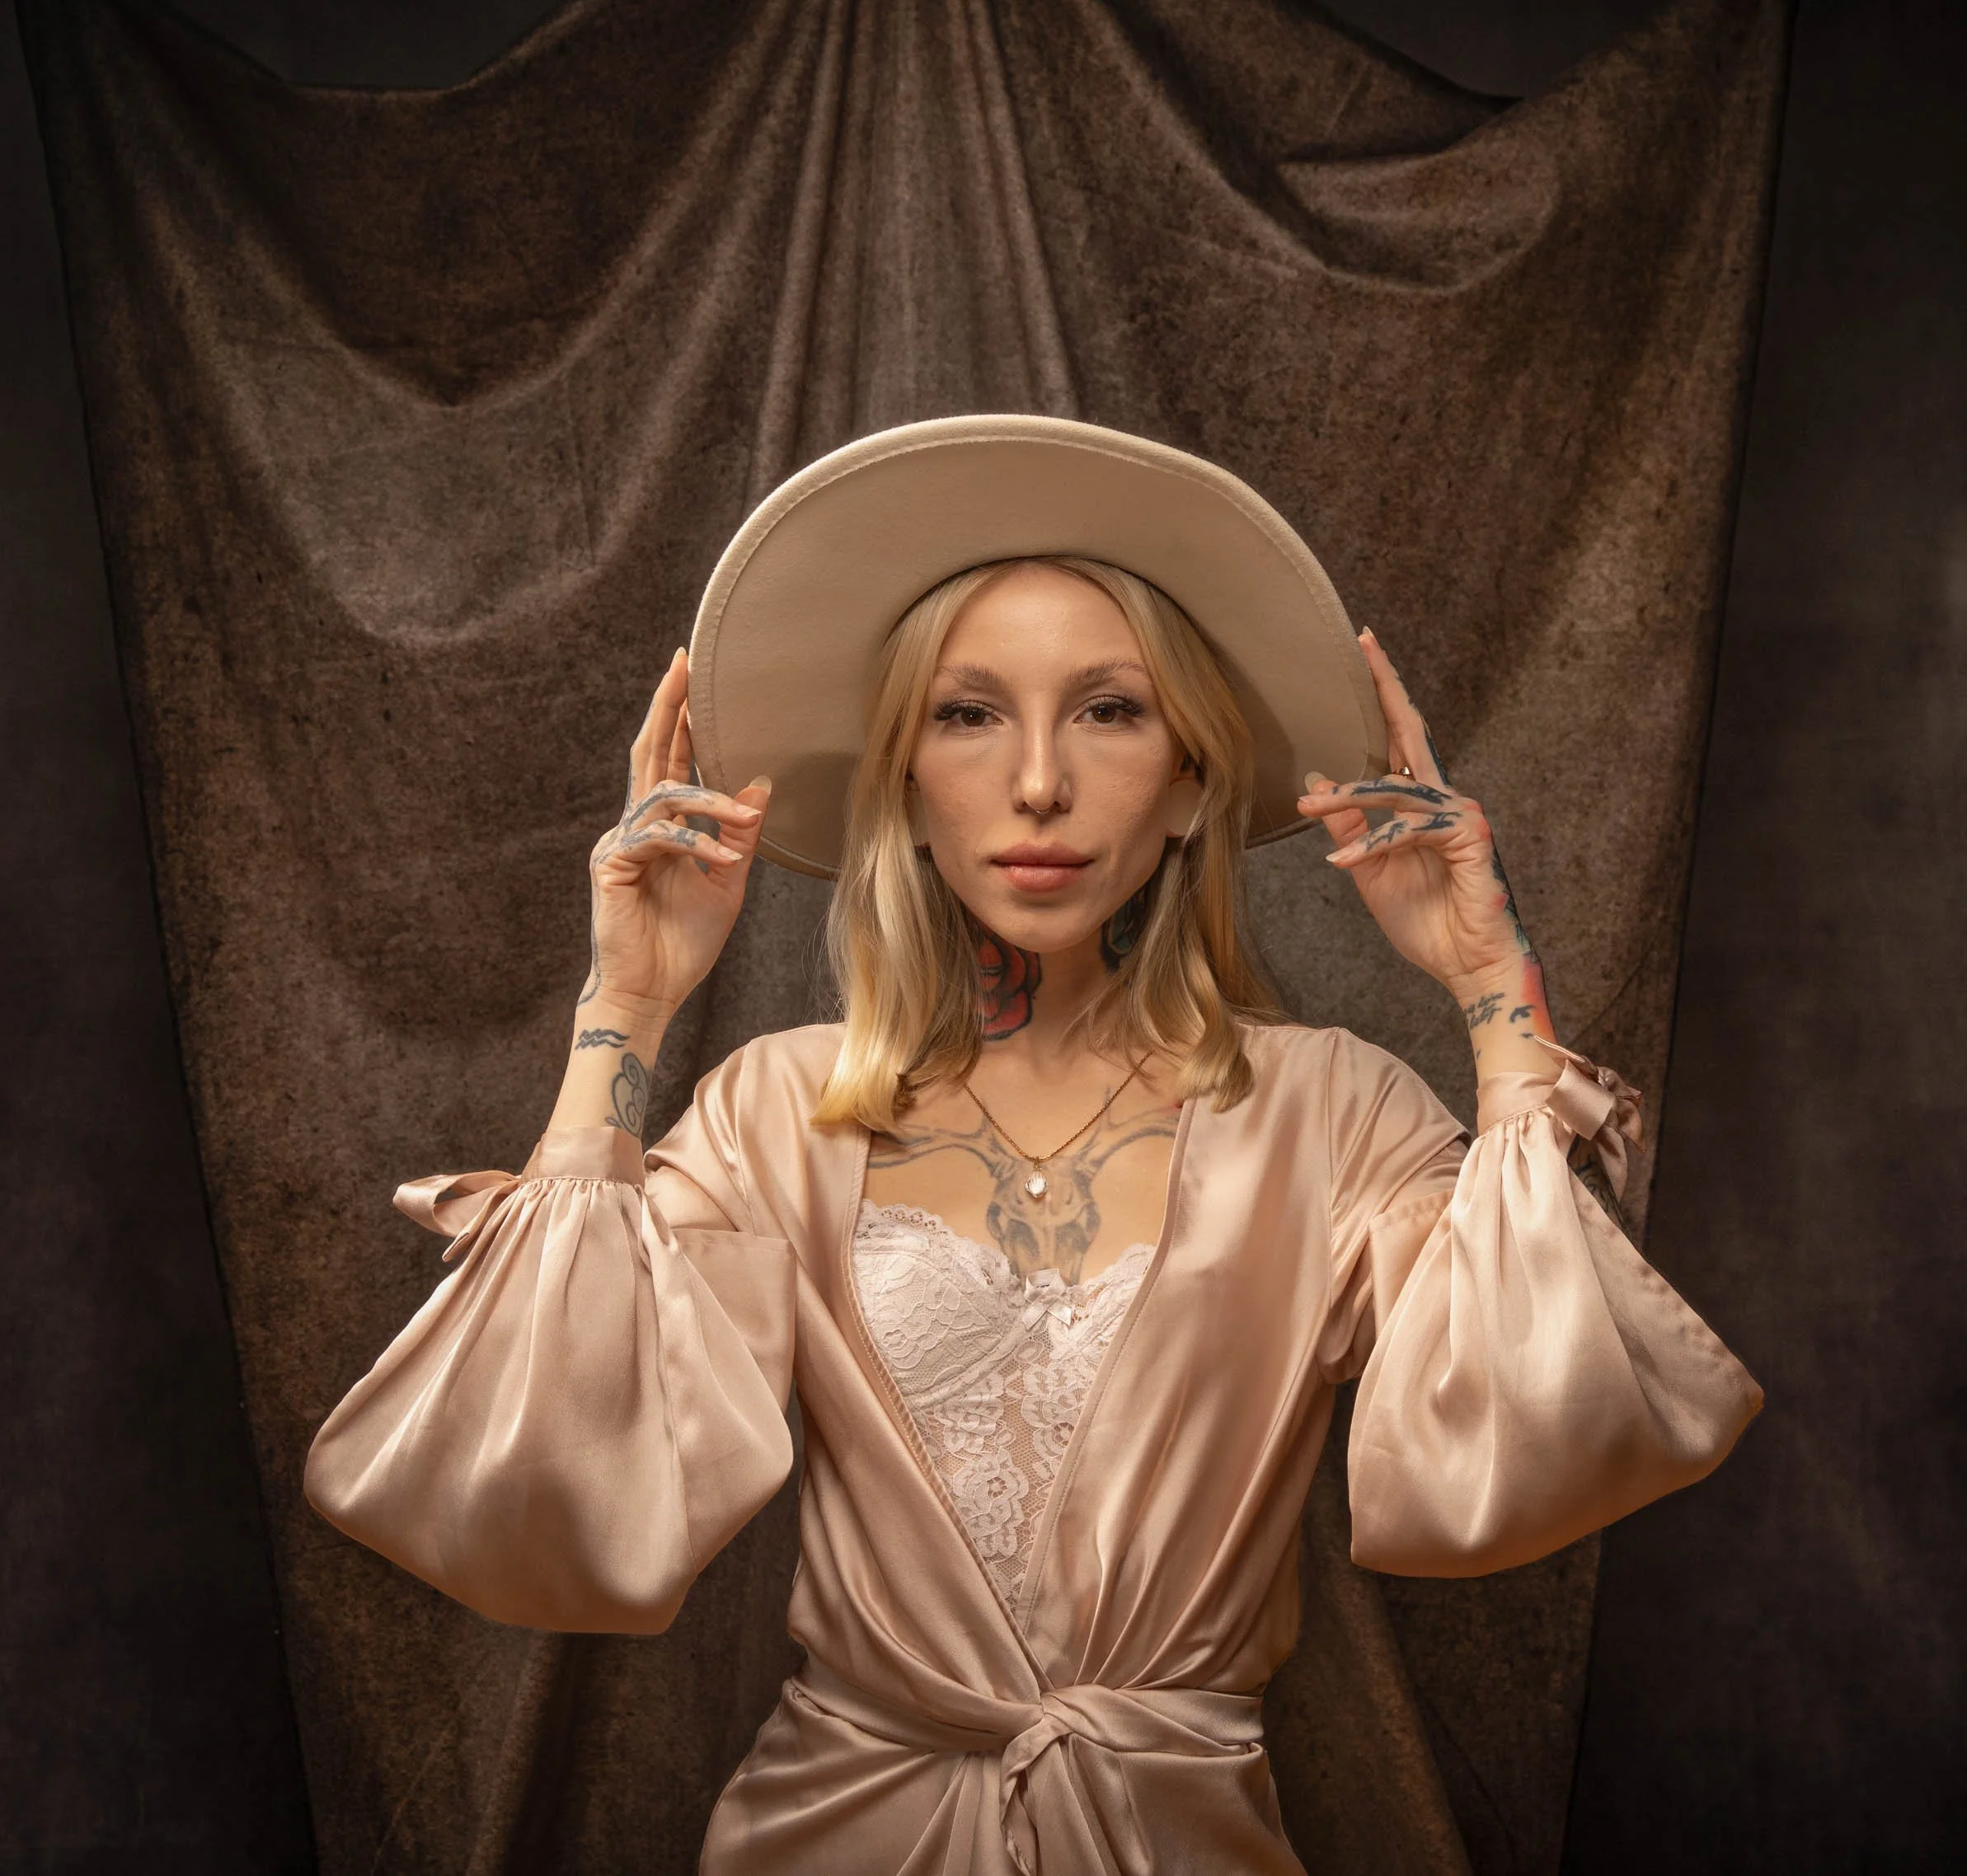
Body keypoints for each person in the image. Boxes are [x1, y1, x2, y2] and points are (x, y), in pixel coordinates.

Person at [306, 415, 1761, 1874]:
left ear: (1192, 781)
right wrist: (622, 1009)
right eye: (969, 715)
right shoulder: (773, 1112)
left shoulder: (1334, 1109)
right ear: (902, 784)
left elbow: (1549, 1432)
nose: (1041, 784)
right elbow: (541, 1481)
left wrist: (1494, 992)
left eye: (1111, 711)